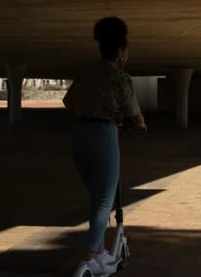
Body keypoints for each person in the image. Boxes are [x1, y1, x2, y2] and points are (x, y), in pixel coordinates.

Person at [63, 16, 146, 275]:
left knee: (95, 198)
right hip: (103, 136)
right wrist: (132, 125)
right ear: (121, 50)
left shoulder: (86, 72)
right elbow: (136, 118)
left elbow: (68, 102)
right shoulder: (120, 77)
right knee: (104, 202)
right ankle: (88, 256)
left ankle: (99, 255)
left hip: (79, 136)